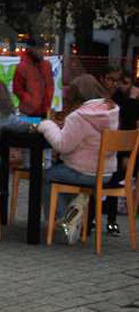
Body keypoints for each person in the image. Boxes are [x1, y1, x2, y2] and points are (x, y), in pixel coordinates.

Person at [37, 74, 119, 244]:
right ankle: (72, 211)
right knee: (61, 175)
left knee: (46, 175)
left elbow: (62, 146)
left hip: (83, 172)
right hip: (106, 173)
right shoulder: (112, 111)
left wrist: (47, 125)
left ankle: (63, 220)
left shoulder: (79, 116)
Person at [102, 67, 139, 235]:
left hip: (126, 147)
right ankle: (108, 219)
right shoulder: (117, 98)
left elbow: (131, 119)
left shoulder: (132, 98)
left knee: (115, 178)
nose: (120, 86)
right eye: (118, 82)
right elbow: (122, 116)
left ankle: (112, 220)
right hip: (114, 146)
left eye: (125, 83)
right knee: (112, 179)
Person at [13, 37, 54, 118]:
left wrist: (48, 100)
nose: (42, 51)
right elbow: (17, 88)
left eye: (42, 48)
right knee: (29, 130)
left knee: (42, 129)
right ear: (31, 49)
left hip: (44, 109)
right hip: (28, 111)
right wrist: (30, 101)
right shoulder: (22, 67)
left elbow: (50, 85)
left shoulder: (47, 65)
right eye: (39, 48)